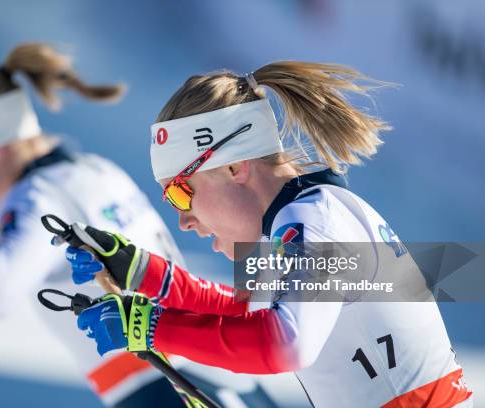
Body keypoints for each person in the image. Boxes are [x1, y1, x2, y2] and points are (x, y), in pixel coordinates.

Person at [0, 43, 280, 408]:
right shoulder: (91, 169)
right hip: (214, 372)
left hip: (163, 386)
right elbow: (34, 256)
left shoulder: (36, 195)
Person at [64, 62, 473, 407]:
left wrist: (150, 326)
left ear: (232, 168)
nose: (183, 220)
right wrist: (143, 274)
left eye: (180, 192)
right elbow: (244, 313)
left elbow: (285, 343)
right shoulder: (295, 223)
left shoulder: (314, 221)